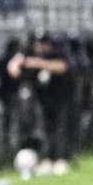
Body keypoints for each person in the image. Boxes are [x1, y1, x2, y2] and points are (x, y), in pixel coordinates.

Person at [12, 33, 75, 173]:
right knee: (46, 130)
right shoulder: (30, 55)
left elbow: (62, 67)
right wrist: (18, 62)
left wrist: (36, 62)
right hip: (44, 100)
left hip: (61, 99)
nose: (41, 46)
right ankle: (48, 158)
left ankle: (60, 159)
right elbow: (14, 69)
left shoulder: (57, 54)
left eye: (44, 43)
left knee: (61, 129)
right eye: (38, 43)